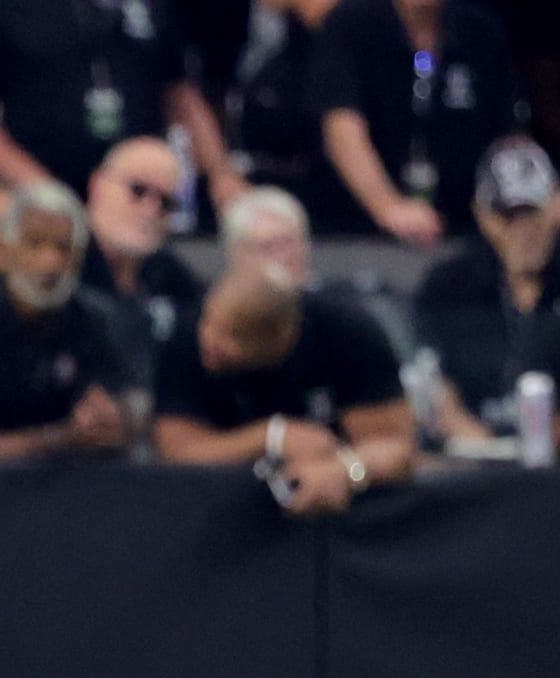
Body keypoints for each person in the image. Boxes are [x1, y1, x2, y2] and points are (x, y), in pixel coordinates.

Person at [153, 263, 416, 516]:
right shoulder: (187, 336)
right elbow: (178, 454)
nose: (210, 340)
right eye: (208, 320)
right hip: (216, 511)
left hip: (342, 518)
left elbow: (397, 448)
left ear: (283, 335)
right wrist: (272, 436)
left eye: (232, 334)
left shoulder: (347, 333)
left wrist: (346, 470)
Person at [0, 0, 248, 211]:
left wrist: (222, 174)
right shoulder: (1, 6)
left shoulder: (153, 5)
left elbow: (180, 97)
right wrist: (41, 188)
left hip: (137, 193)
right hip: (40, 188)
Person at [0, 181, 129, 461]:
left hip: (73, 489)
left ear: (79, 254)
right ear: (7, 246)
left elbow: (129, 418)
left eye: (63, 248)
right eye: (35, 243)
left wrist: (108, 420)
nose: (50, 262)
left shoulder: (97, 318)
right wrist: (63, 436)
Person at [314, 0, 521, 246]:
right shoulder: (352, 22)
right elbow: (342, 127)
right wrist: (387, 206)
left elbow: (509, 136)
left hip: (464, 228)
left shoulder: (479, 29)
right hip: (358, 231)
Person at [413, 137, 560, 440]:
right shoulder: (447, 288)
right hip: (472, 459)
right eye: (508, 217)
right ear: (482, 215)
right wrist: (478, 444)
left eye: (533, 212)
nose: (524, 230)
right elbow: (428, 376)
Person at [80, 137, 205, 396]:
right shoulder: (62, 262)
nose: (150, 209)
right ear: (97, 185)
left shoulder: (169, 273)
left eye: (166, 203)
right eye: (138, 190)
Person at [222, 2, 346, 227]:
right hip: (250, 183)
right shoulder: (238, 24)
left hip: (328, 195)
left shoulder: (348, 34)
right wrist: (221, 173)